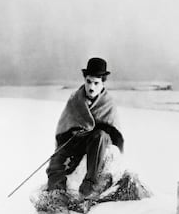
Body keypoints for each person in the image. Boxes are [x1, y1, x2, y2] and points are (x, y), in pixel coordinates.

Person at [45, 57, 124, 204]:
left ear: (102, 83)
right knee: (57, 158)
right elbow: (64, 126)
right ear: (85, 80)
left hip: (97, 142)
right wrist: (72, 132)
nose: (91, 87)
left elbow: (115, 134)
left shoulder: (108, 103)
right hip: (77, 141)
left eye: (96, 83)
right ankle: (57, 195)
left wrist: (95, 129)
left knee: (100, 135)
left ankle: (89, 185)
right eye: (88, 82)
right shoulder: (75, 99)